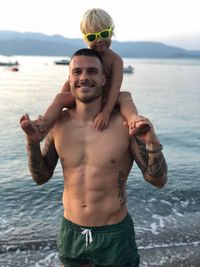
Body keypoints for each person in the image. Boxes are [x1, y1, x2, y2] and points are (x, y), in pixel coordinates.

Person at [20, 48, 167, 267]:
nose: (84, 77)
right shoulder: (58, 125)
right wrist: (32, 143)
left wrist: (153, 145)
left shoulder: (124, 125)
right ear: (69, 79)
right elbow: (41, 177)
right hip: (71, 232)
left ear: (104, 78)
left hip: (114, 235)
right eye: (77, 72)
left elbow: (158, 180)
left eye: (92, 71)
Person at [24, 8, 150, 141]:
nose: (99, 40)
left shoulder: (116, 60)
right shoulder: (84, 57)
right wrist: (63, 98)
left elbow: (115, 87)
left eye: (104, 34)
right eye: (92, 37)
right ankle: (43, 124)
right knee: (60, 98)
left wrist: (106, 112)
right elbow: (71, 81)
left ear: (111, 32)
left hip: (108, 98)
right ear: (85, 38)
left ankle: (134, 121)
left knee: (125, 96)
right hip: (85, 97)